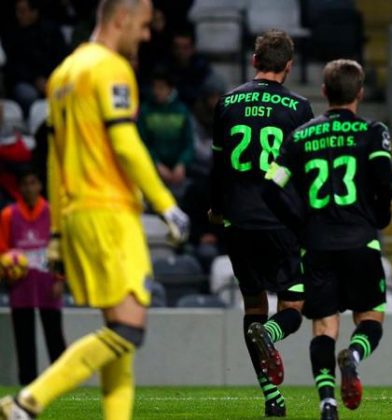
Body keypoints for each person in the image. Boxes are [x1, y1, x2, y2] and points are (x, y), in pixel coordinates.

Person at [0, 1, 188, 419]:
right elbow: (125, 143)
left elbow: (54, 162)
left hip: (78, 214)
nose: (146, 35)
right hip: (110, 213)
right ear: (121, 19)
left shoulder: (63, 74)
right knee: (128, 330)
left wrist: (56, 233)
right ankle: (26, 403)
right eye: (143, 25)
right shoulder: (110, 68)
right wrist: (166, 205)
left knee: (119, 338)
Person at [264, 59, 392, 420]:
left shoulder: (300, 136)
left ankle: (327, 402)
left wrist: (299, 221)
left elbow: (272, 185)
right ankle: (353, 356)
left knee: (323, 326)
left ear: (324, 92)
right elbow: (385, 180)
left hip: (317, 243)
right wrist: (379, 216)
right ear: (360, 93)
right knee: (370, 317)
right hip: (360, 241)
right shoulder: (373, 131)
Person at [208, 30, 313, 417]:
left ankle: (272, 397)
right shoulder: (299, 107)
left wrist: (216, 208)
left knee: (254, 305)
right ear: (289, 66)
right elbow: (303, 172)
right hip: (279, 221)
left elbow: (218, 165)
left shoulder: (227, 102)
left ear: (254, 61)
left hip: (238, 221)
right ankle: (269, 333)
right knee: (293, 306)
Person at [0, 169, 66, 385]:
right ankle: (28, 386)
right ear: (19, 188)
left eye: (33, 183)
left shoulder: (52, 213)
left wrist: (60, 279)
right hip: (21, 285)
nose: (29, 188)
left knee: (54, 336)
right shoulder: (9, 215)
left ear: (40, 185)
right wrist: (7, 272)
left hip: (48, 282)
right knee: (24, 338)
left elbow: (61, 247)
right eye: (25, 184)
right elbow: (2, 249)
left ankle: (60, 382)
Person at [137, 68, 195, 200]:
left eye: (161, 88)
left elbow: (189, 143)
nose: (156, 91)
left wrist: (182, 164)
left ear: (170, 89)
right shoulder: (145, 111)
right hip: (152, 172)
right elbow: (142, 143)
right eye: (154, 87)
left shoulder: (182, 111)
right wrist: (157, 164)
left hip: (178, 174)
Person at [2, 0, 67, 116]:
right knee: (28, 95)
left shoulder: (51, 30)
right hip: (25, 82)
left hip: (51, 78)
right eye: (17, 11)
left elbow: (62, 58)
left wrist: (48, 79)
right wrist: (34, 79)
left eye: (23, 11)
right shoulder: (12, 33)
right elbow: (13, 65)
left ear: (34, 12)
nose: (19, 15)